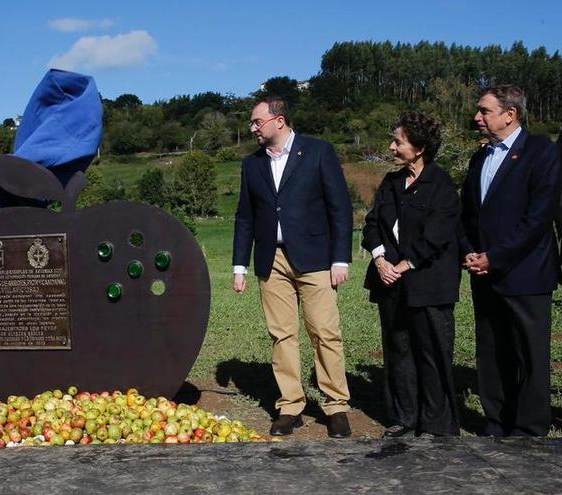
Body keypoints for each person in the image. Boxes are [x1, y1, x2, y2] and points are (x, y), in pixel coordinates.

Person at [232, 97, 354, 438]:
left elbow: (340, 208)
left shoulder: (318, 152)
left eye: (257, 122)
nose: (252, 128)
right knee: (281, 334)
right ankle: (290, 406)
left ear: (279, 121)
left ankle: (336, 406)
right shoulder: (251, 165)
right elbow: (245, 217)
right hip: (272, 259)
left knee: (324, 332)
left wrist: (340, 258)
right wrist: (239, 265)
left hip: (316, 258)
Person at [460, 85, 561, 436]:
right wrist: (469, 251)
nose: (477, 117)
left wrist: (497, 257)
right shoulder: (479, 158)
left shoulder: (540, 151)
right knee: (491, 349)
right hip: (483, 272)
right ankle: (497, 419)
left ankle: (530, 426)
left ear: (510, 114)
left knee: (529, 353)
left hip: (526, 271)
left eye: (484, 111)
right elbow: (469, 214)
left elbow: (538, 216)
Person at [362, 112, 461, 438]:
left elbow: (437, 235)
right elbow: (373, 223)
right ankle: (405, 417)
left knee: (431, 353)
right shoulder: (391, 183)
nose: (391, 146)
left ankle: (436, 423)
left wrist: (402, 266)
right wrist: (380, 261)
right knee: (398, 350)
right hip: (390, 284)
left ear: (419, 148)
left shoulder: (441, 185)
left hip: (429, 285)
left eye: (398, 141)